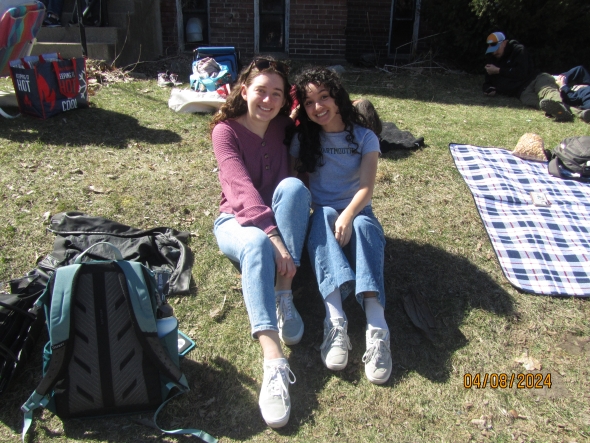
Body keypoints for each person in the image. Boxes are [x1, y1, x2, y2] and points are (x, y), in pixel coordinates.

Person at [210, 57, 311, 428]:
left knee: (294, 187)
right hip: (236, 222)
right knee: (254, 243)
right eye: (260, 91)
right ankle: (274, 361)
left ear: (286, 100)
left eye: (276, 94)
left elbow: (323, 115)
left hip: (280, 215)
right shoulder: (225, 131)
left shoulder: (286, 126)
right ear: (243, 90)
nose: (267, 100)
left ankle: (284, 293)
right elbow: (239, 188)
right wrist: (275, 240)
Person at [290, 67, 392, 385]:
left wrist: (347, 215)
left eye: (324, 97)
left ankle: (378, 329)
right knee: (320, 216)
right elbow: (295, 180)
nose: (318, 107)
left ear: (338, 96)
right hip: (323, 222)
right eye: (309, 102)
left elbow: (366, 189)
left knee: (364, 227)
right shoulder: (304, 138)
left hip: (357, 214)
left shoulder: (365, 136)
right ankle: (335, 322)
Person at [482, 32, 573, 122]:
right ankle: (561, 112)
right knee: (541, 103)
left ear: (504, 43)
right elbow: (488, 81)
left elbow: (521, 73)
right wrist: (489, 88)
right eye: (489, 46)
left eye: (494, 46)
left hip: (535, 79)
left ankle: (562, 111)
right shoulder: (492, 59)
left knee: (548, 92)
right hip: (522, 92)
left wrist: (499, 70)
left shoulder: (518, 50)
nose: (493, 51)